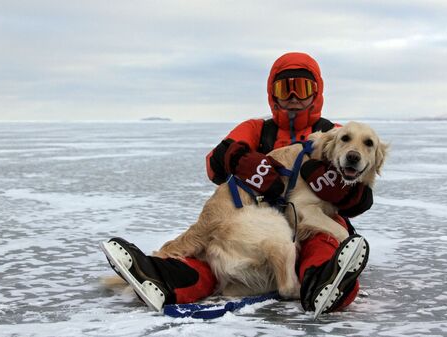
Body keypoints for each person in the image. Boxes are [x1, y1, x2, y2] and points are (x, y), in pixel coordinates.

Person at [102, 52, 373, 315]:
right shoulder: (257, 128)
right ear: (272, 94)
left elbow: (363, 193)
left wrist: (346, 194)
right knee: (210, 262)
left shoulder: (336, 133)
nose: (292, 98)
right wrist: (239, 160)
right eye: (283, 89)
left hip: (311, 225)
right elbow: (214, 163)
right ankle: (160, 280)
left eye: (301, 88)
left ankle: (324, 290)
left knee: (324, 244)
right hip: (253, 224)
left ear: (316, 93)